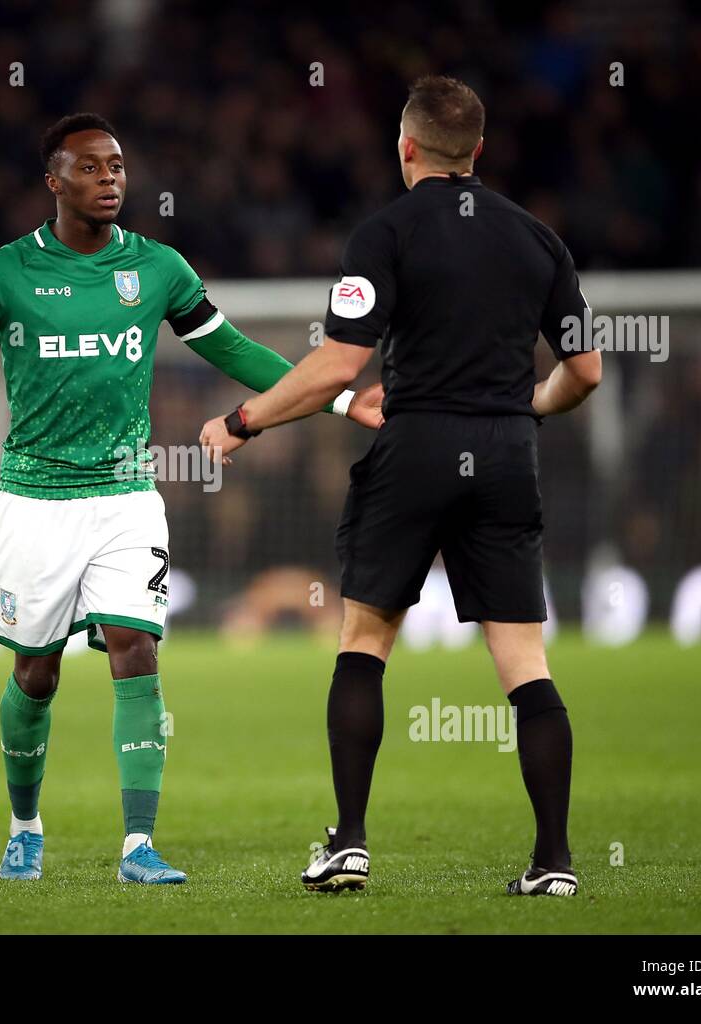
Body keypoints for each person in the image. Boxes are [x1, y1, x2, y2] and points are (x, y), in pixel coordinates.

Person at [0, 113, 383, 885]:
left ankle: (139, 845)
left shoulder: (158, 269)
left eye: (117, 166)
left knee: (136, 647)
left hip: (125, 494)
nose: (110, 179)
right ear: (54, 182)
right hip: (34, 501)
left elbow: (231, 349)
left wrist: (335, 399)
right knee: (36, 674)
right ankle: (25, 826)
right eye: (90, 168)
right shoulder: (1, 273)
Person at [200, 76, 602, 896]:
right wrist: (527, 405)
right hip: (504, 452)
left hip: (414, 443)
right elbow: (586, 373)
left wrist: (242, 421)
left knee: (365, 641)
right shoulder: (537, 240)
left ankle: (348, 842)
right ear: (478, 150)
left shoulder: (383, 233)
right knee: (525, 663)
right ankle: (554, 863)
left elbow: (338, 367)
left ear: (406, 147)